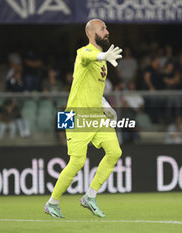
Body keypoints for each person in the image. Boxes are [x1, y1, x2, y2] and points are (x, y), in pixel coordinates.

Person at [44, 19, 122, 218]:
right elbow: (88, 57)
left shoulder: (102, 59)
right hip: (75, 115)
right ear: (91, 33)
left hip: (95, 114)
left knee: (114, 152)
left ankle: (90, 196)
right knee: (77, 162)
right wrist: (103, 54)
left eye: (106, 27)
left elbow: (93, 88)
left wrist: (106, 105)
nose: (107, 31)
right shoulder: (84, 53)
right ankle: (52, 203)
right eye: (102, 28)